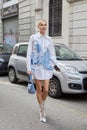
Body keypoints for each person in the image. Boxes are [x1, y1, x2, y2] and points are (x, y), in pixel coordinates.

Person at [26, 19, 60, 123]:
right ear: (38, 26)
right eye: (41, 25)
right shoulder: (33, 38)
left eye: (45, 25)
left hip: (47, 67)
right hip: (36, 67)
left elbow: (52, 54)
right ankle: (42, 110)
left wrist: (56, 64)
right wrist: (29, 68)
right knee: (39, 89)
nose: (43, 27)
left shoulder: (49, 39)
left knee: (46, 89)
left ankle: (42, 105)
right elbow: (29, 53)